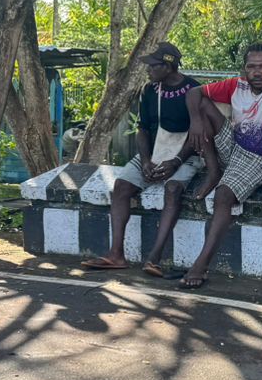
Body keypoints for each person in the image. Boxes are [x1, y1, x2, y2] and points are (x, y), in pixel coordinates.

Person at [178, 44, 262, 289]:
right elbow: (193, 93)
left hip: (258, 158)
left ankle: (200, 265)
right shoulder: (237, 85)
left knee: (223, 196)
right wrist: (196, 122)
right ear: (244, 69)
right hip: (233, 146)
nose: (257, 72)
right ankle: (213, 171)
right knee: (201, 104)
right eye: (251, 67)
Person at [81, 42, 201, 275]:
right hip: (154, 153)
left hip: (186, 155)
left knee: (173, 189)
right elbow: (143, 129)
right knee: (121, 186)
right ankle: (116, 254)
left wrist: (175, 161)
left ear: (168, 66)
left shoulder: (194, 91)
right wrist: (145, 160)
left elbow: (198, 134)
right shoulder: (149, 90)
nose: (148, 70)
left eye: (153, 66)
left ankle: (154, 259)